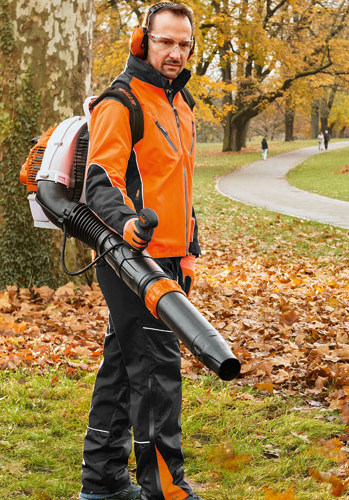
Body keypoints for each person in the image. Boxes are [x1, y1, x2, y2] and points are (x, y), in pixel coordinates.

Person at [79, 3, 204, 499]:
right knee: (156, 373)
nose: (174, 52)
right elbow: (100, 180)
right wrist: (128, 223)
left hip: (172, 257)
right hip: (132, 256)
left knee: (123, 364)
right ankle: (165, 490)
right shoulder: (122, 101)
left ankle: (104, 481)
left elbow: (182, 185)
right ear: (143, 40)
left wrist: (190, 250)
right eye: (165, 41)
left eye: (183, 44)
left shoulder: (183, 104)